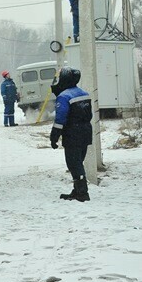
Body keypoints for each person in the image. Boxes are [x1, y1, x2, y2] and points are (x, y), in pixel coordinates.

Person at [49, 67, 93, 202]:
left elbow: (60, 119)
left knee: (73, 163)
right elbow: (89, 114)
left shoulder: (64, 96)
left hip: (73, 133)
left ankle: (82, 192)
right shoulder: (83, 93)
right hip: (86, 131)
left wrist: (54, 137)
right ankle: (77, 190)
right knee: (79, 161)